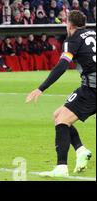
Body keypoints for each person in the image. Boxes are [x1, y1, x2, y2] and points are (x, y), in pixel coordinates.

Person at [26, 10, 96, 178]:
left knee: (62, 121)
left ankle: (61, 167)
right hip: (89, 88)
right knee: (58, 115)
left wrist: (41, 88)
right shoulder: (93, 33)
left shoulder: (73, 39)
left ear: (69, 25)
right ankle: (81, 151)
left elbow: (62, 65)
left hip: (92, 90)